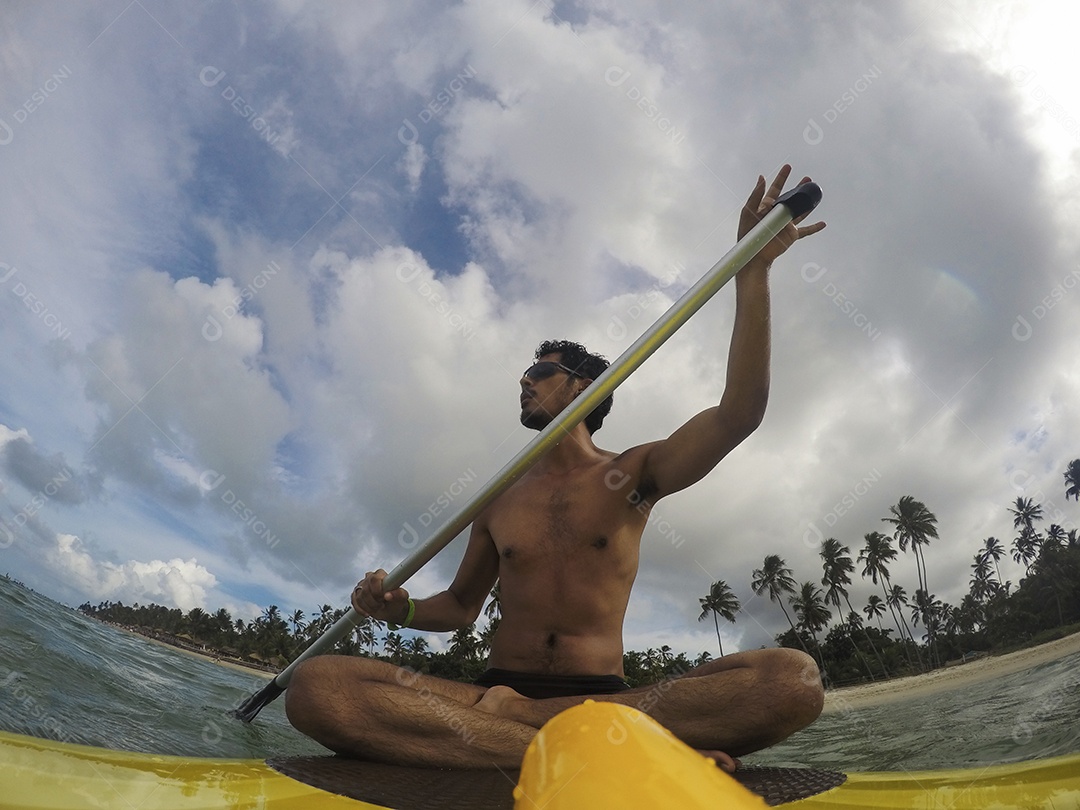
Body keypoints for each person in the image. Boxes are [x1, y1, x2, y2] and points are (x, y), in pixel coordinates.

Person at [286, 165, 827, 771]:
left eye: (540, 372)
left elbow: (737, 414)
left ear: (584, 389)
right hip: (496, 688)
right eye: (526, 372)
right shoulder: (495, 497)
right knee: (319, 686)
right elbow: (463, 607)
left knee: (790, 681)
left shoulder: (633, 473)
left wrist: (751, 271)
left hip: (586, 700)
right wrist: (400, 610)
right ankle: (603, 755)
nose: (524, 379)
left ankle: (523, 733)